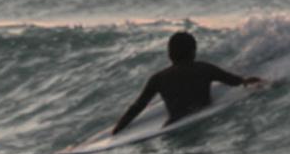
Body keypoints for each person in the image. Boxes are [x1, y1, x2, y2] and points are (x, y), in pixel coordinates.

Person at [109, 31, 269, 135]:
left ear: (170, 53)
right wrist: (266, 83)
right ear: (193, 51)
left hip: (172, 128)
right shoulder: (204, 68)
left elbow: (138, 106)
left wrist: (117, 130)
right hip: (202, 122)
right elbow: (237, 81)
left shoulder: (158, 78)